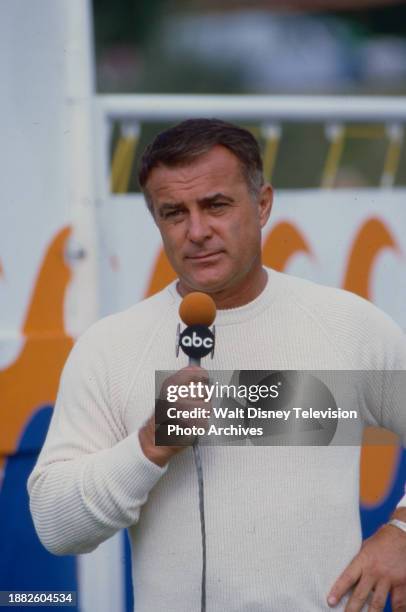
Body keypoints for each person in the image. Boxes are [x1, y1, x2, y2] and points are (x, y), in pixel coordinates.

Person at [28, 119, 406, 611]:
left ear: (263, 203)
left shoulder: (349, 324)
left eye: (216, 205)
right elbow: (55, 526)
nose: (197, 231)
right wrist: (149, 446)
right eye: (173, 213)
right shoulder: (110, 347)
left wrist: (401, 532)